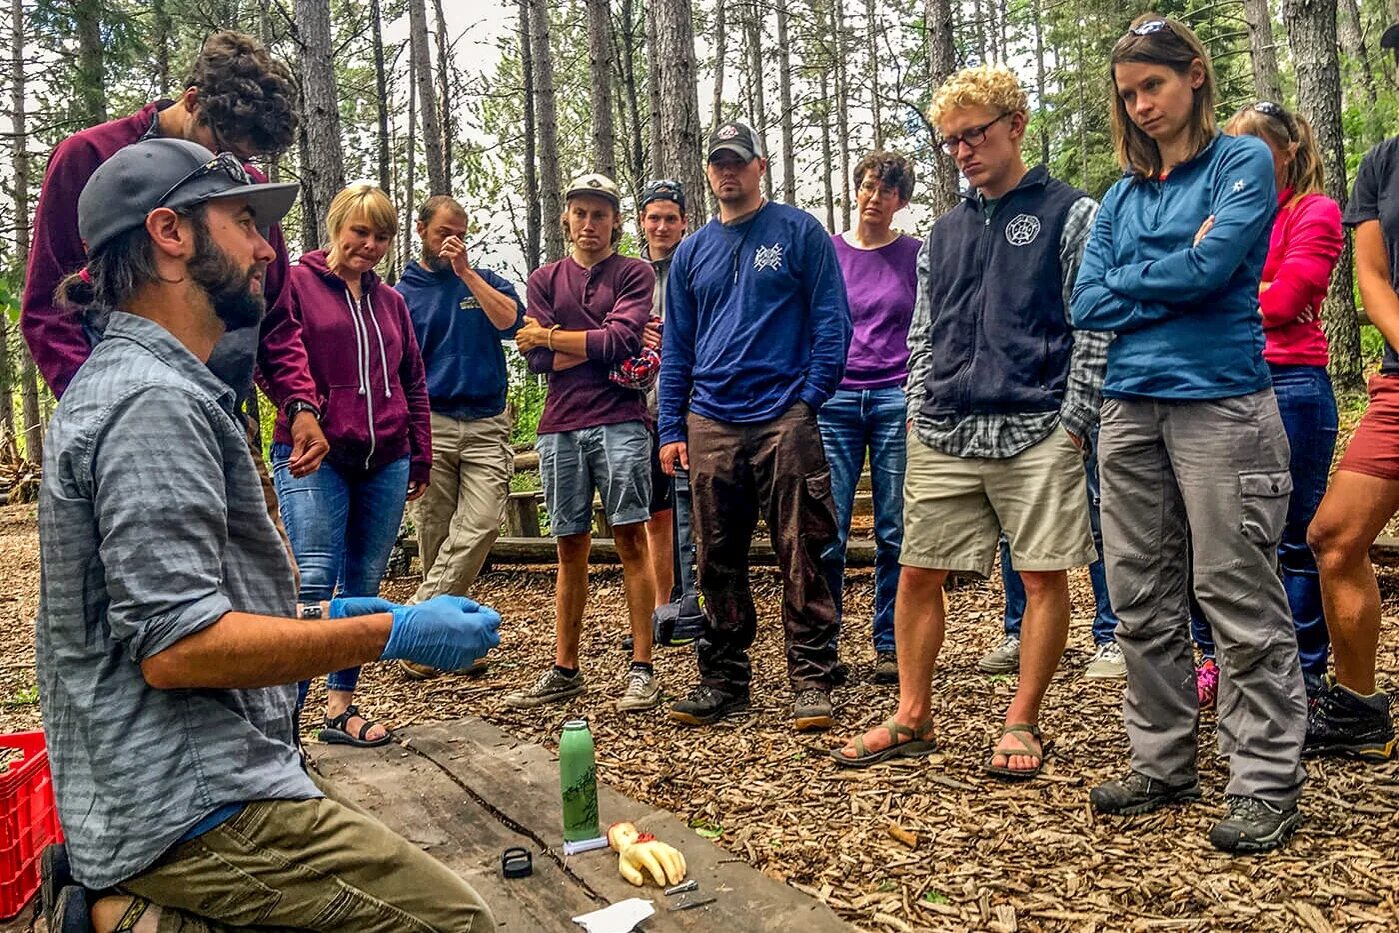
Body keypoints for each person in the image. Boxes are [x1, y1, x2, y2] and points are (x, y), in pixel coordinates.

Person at [38, 137, 499, 932]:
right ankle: (121, 916)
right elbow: (178, 647)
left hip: (184, 774)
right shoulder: (151, 403)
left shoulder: (160, 383)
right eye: (244, 220)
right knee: (454, 921)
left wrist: (334, 613)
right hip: (186, 796)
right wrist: (387, 630)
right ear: (169, 235)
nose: (264, 247)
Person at [1073, 15, 1307, 853]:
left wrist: (1145, 281)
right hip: (1126, 407)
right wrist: (1177, 275)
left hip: (1222, 404)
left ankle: (1264, 780)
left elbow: (1214, 271)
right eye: (1127, 92)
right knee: (1137, 596)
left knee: (1236, 592)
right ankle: (1163, 760)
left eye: (1154, 85)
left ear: (1195, 76)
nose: (1140, 104)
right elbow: (1084, 303)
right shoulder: (1121, 195)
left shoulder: (1239, 160)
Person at [831, 66, 1106, 777]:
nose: (961, 151)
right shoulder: (943, 233)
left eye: (973, 134)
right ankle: (911, 715)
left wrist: (1074, 421)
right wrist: (919, 408)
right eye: (950, 141)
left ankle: (1021, 720)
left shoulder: (1070, 213)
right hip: (945, 427)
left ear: (1014, 125)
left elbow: (1094, 324)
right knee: (915, 572)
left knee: (1042, 576)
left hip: (1037, 424)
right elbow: (922, 331)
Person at [21, 32, 328, 532]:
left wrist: (298, 403)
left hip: (222, 416)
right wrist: (109, 416)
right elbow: (46, 311)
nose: (234, 168)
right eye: (223, 147)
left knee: (268, 575)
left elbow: (273, 312)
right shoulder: (89, 155)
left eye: (245, 159)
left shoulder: (245, 187)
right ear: (192, 103)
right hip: (126, 423)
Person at [659, 120, 852, 731]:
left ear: (759, 166)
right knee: (715, 554)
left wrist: (809, 399)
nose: (727, 172)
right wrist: (671, 427)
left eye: (737, 161)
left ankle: (813, 678)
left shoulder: (798, 232)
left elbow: (831, 322)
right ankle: (722, 678)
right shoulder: (691, 252)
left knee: (804, 546)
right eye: (718, 162)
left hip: (784, 415)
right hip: (710, 417)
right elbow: (678, 349)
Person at [1185, 101, 1343, 705]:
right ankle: (1218, 662)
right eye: (1232, 149)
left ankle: (1302, 673)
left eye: (1253, 148)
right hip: (1222, 383)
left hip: (1293, 385)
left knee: (1295, 537)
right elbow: (1186, 285)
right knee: (1215, 536)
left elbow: (1283, 304)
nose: (1240, 161)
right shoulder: (1224, 211)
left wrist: (1214, 283)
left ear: (1288, 152)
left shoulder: (1314, 212)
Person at [267, 183, 432, 747]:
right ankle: (283, 722)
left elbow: (412, 379)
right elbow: (273, 359)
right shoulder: (294, 284)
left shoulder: (392, 302)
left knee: (362, 584)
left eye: (381, 235)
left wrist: (419, 452)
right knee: (315, 579)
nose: (369, 244)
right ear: (337, 226)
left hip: (385, 455)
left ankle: (340, 709)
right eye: (360, 231)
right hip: (314, 452)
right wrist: (304, 409)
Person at [505, 173, 661, 713]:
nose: (589, 223)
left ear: (616, 220)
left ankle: (642, 668)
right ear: (566, 218)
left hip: (620, 420)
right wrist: (592, 345)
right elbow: (537, 361)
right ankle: (564, 667)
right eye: (580, 213)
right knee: (568, 547)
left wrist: (551, 336)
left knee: (630, 540)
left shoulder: (634, 273)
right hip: (559, 425)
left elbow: (622, 341)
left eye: (600, 214)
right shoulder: (545, 278)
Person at [1302, 21, 1399, 762]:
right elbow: (1369, 277)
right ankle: (1358, 707)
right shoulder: (1381, 162)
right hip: (1398, 380)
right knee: (1333, 537)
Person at [395, 195, 525, 679]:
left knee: (484, 522)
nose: (451, 241)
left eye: (461, 233)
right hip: (431, 424)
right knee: (435, 536)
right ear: (420, 228)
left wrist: (468, 272)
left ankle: (413, 621)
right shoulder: (401, 295)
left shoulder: (483, 280)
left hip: (487, 421)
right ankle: (442, 645)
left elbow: (514, 323)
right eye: (442, 231)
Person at [818, 150, 920, 686]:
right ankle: (824, 644)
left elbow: (929, 327)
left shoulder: (915, 255)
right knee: (829, 528)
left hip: (894, 398)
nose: (875, 197)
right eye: (867, 186)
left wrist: (917, 394)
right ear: (854, 190)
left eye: (887, 190)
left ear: (900, 201)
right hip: (835, 401)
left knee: (895, 530)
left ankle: (889, 644)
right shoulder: (829, 253)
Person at [637, 179, 704, 644]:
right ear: (642, 223)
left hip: (695, 406)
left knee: (700, 507)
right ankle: (662, 607)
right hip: (640, 406)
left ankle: (698, 603)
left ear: (684, 222)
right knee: (656, 511)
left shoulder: (697, 264)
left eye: (670, 218)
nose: (662, 226)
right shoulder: (630, 275)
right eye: (653, 218)